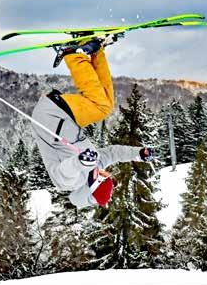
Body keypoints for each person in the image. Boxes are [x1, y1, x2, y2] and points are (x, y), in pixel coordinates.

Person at [32, 38, 154, 209]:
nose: (106, 172)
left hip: (50, 117)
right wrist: (139, 154)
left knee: (102, 108)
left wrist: (80, 162)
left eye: (104, 177)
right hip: (63, 119)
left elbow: (65, 171)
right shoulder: (96, 165)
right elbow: (114, 153)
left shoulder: (69, 183)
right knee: (107, 105)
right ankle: (96, 52)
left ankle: (72, 54)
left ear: (94, 184)